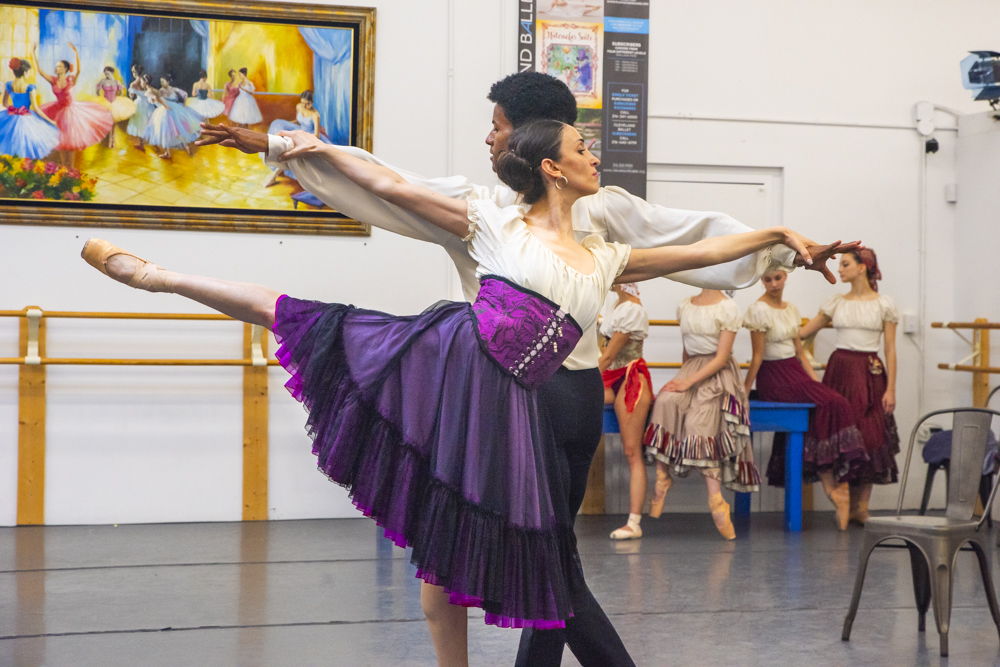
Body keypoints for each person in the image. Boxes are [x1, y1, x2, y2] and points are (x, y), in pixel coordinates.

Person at [82, 119, 809, 667]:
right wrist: (303, 146)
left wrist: (772, 232)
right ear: (552, 169)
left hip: (515, 401)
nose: (595, 155)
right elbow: (389, 186)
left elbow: (701, 250)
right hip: (456, 361)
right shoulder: (492, 222)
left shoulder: (606, 254)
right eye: (582, 148)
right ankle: (159, 277)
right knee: (305, 317)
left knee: (516, 548)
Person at [742, 269, 867, 530]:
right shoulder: (758, 310)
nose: (773, 284)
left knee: (834, 402)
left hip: (795, 371)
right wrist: (744, 390)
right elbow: (757, 356)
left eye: (777, 278)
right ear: (762, 281)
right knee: (834, 403)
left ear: (785, 277)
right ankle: (834, 486)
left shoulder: (791, 309)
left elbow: (799, 351)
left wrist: (815, 383)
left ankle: (835, 485)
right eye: (767, 279)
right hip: (774, 377)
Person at [644, 289, 759, 540]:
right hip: (692, 368)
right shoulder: (685, 305)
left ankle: (716, 500)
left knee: (699, 424)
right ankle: (662, 478)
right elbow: (687, 351)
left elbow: (721, 358)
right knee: (665, 402)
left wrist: (688, 382)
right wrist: (681, 380)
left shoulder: (727, 308)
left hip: (718, 374)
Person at [799, 249, 899, 525]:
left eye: (845, 264)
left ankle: (860, 508)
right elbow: (804, 332)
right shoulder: (836, 303)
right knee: (841, 433)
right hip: (840, 371)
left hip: (869, 373)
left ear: (862, 267)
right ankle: (841, 498)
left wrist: (891, 388)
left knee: (870, 436)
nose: (839, 269)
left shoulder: (884, 305)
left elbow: (890, 349)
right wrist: (776, 327)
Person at [597, 283, 652, 540]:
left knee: (632, 452)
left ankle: (634, 522)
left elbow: (608, 357)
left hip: (631, 378)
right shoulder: (616, 305)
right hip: (612, 378)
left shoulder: (631, 308)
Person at [32, 43, 114, 164]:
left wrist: (76, 52)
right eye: (56, 66)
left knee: (71, 140)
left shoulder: (70, 79)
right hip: (58, 111)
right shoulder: (53, 80)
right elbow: (39, 71)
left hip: (71, 112)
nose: (56, 68)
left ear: (65, 69)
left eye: (59, 66)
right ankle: (65, 169)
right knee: (61, 140)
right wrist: (33, 52)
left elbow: (78, 70)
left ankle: (70, 168)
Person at [261, 90, 330, 187]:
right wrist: (287, 127)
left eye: (307, 104)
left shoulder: (315, 115)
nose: (304, 106)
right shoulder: (299, 106)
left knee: (291, 150)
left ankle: (273, 177)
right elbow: (297, 121)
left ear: (312, 102)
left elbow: (317, 135)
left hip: (309, 136)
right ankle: (274, 165)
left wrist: (303, 138)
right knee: (277, 123)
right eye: (303, 103)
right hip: (299, 130)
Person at [0, 57, 60, 160]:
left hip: (11, 118)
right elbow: (36, 108)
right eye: (28, 71)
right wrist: (50, 121)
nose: (29, 74)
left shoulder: (9, 85)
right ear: (24, 72)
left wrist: (14, 109)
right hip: (28, 120)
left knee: (13, 149)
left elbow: (4, 103)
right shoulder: (30, 87)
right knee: (26, 150)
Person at [142, 74, 202, 159]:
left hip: (168, 108)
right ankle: (169, 152)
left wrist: (166, 106)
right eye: (161, 82)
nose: (161, 83)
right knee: (169, 129)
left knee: (176, 128)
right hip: (166, 108)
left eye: (163, 81)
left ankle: (182, 148)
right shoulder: (158, 90)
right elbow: (158, 97)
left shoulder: (151, 91)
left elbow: (157, 98)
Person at [95, 66, 135, 148]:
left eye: (108, 73)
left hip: (114, 103)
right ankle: (107, 139)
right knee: (107, 122)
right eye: (105, 74)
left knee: (113, 123)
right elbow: (97, 90)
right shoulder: (103, 81)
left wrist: (118, 97)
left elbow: (121, 92)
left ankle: (111, 140)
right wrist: (100, 97)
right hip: (105, 102)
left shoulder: (116, 82)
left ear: (112, 73)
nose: (106, 75)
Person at [126, 65, 153, 150]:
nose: (132, 73)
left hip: (140, 103)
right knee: (146, 122)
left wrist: (131, 91)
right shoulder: (145, 80)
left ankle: (142, 143)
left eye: (133, 72)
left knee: (140, 123)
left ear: (135, 72)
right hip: (148, 103)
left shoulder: (133, 84)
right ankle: (145, 143)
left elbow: (131, 96)